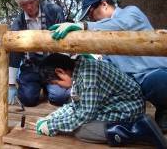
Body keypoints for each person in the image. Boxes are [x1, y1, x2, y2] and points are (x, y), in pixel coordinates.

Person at [48, 0, 167, 132]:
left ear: (104, 4)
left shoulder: (130, 13)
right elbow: (108, 65)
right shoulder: (105, 39)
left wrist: (85, 26)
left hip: (156, 74)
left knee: (157, 82)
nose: (92, 20)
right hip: (133, 83)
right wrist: (84, 59)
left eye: (91, 14)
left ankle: (164, 108)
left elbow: (119, 26)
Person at [36, 53, 167, 148]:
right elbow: (76, 106)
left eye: (56, 83)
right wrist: (52, 117)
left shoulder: (87, 76)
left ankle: (137, 129)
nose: (59, 87)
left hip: (128, 110)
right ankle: (137, 126)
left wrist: (52, 126)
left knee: (82, 131)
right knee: (76, 121)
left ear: (60, 71)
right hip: (116, 105)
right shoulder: (80, 69)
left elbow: (85, 114)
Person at [8, 0, 70, 107]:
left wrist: (65, 71)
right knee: (28, 99)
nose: (29, 7)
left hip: (53, 64)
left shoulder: (54, 11)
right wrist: (11, 84)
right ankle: (35, 86)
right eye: (24, 4)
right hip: (31, 66)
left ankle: (49, 87)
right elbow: (15, 55)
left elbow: (63, 44)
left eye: (31, 2)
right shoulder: (18, 23)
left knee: (60, 97)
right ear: (19, 5)